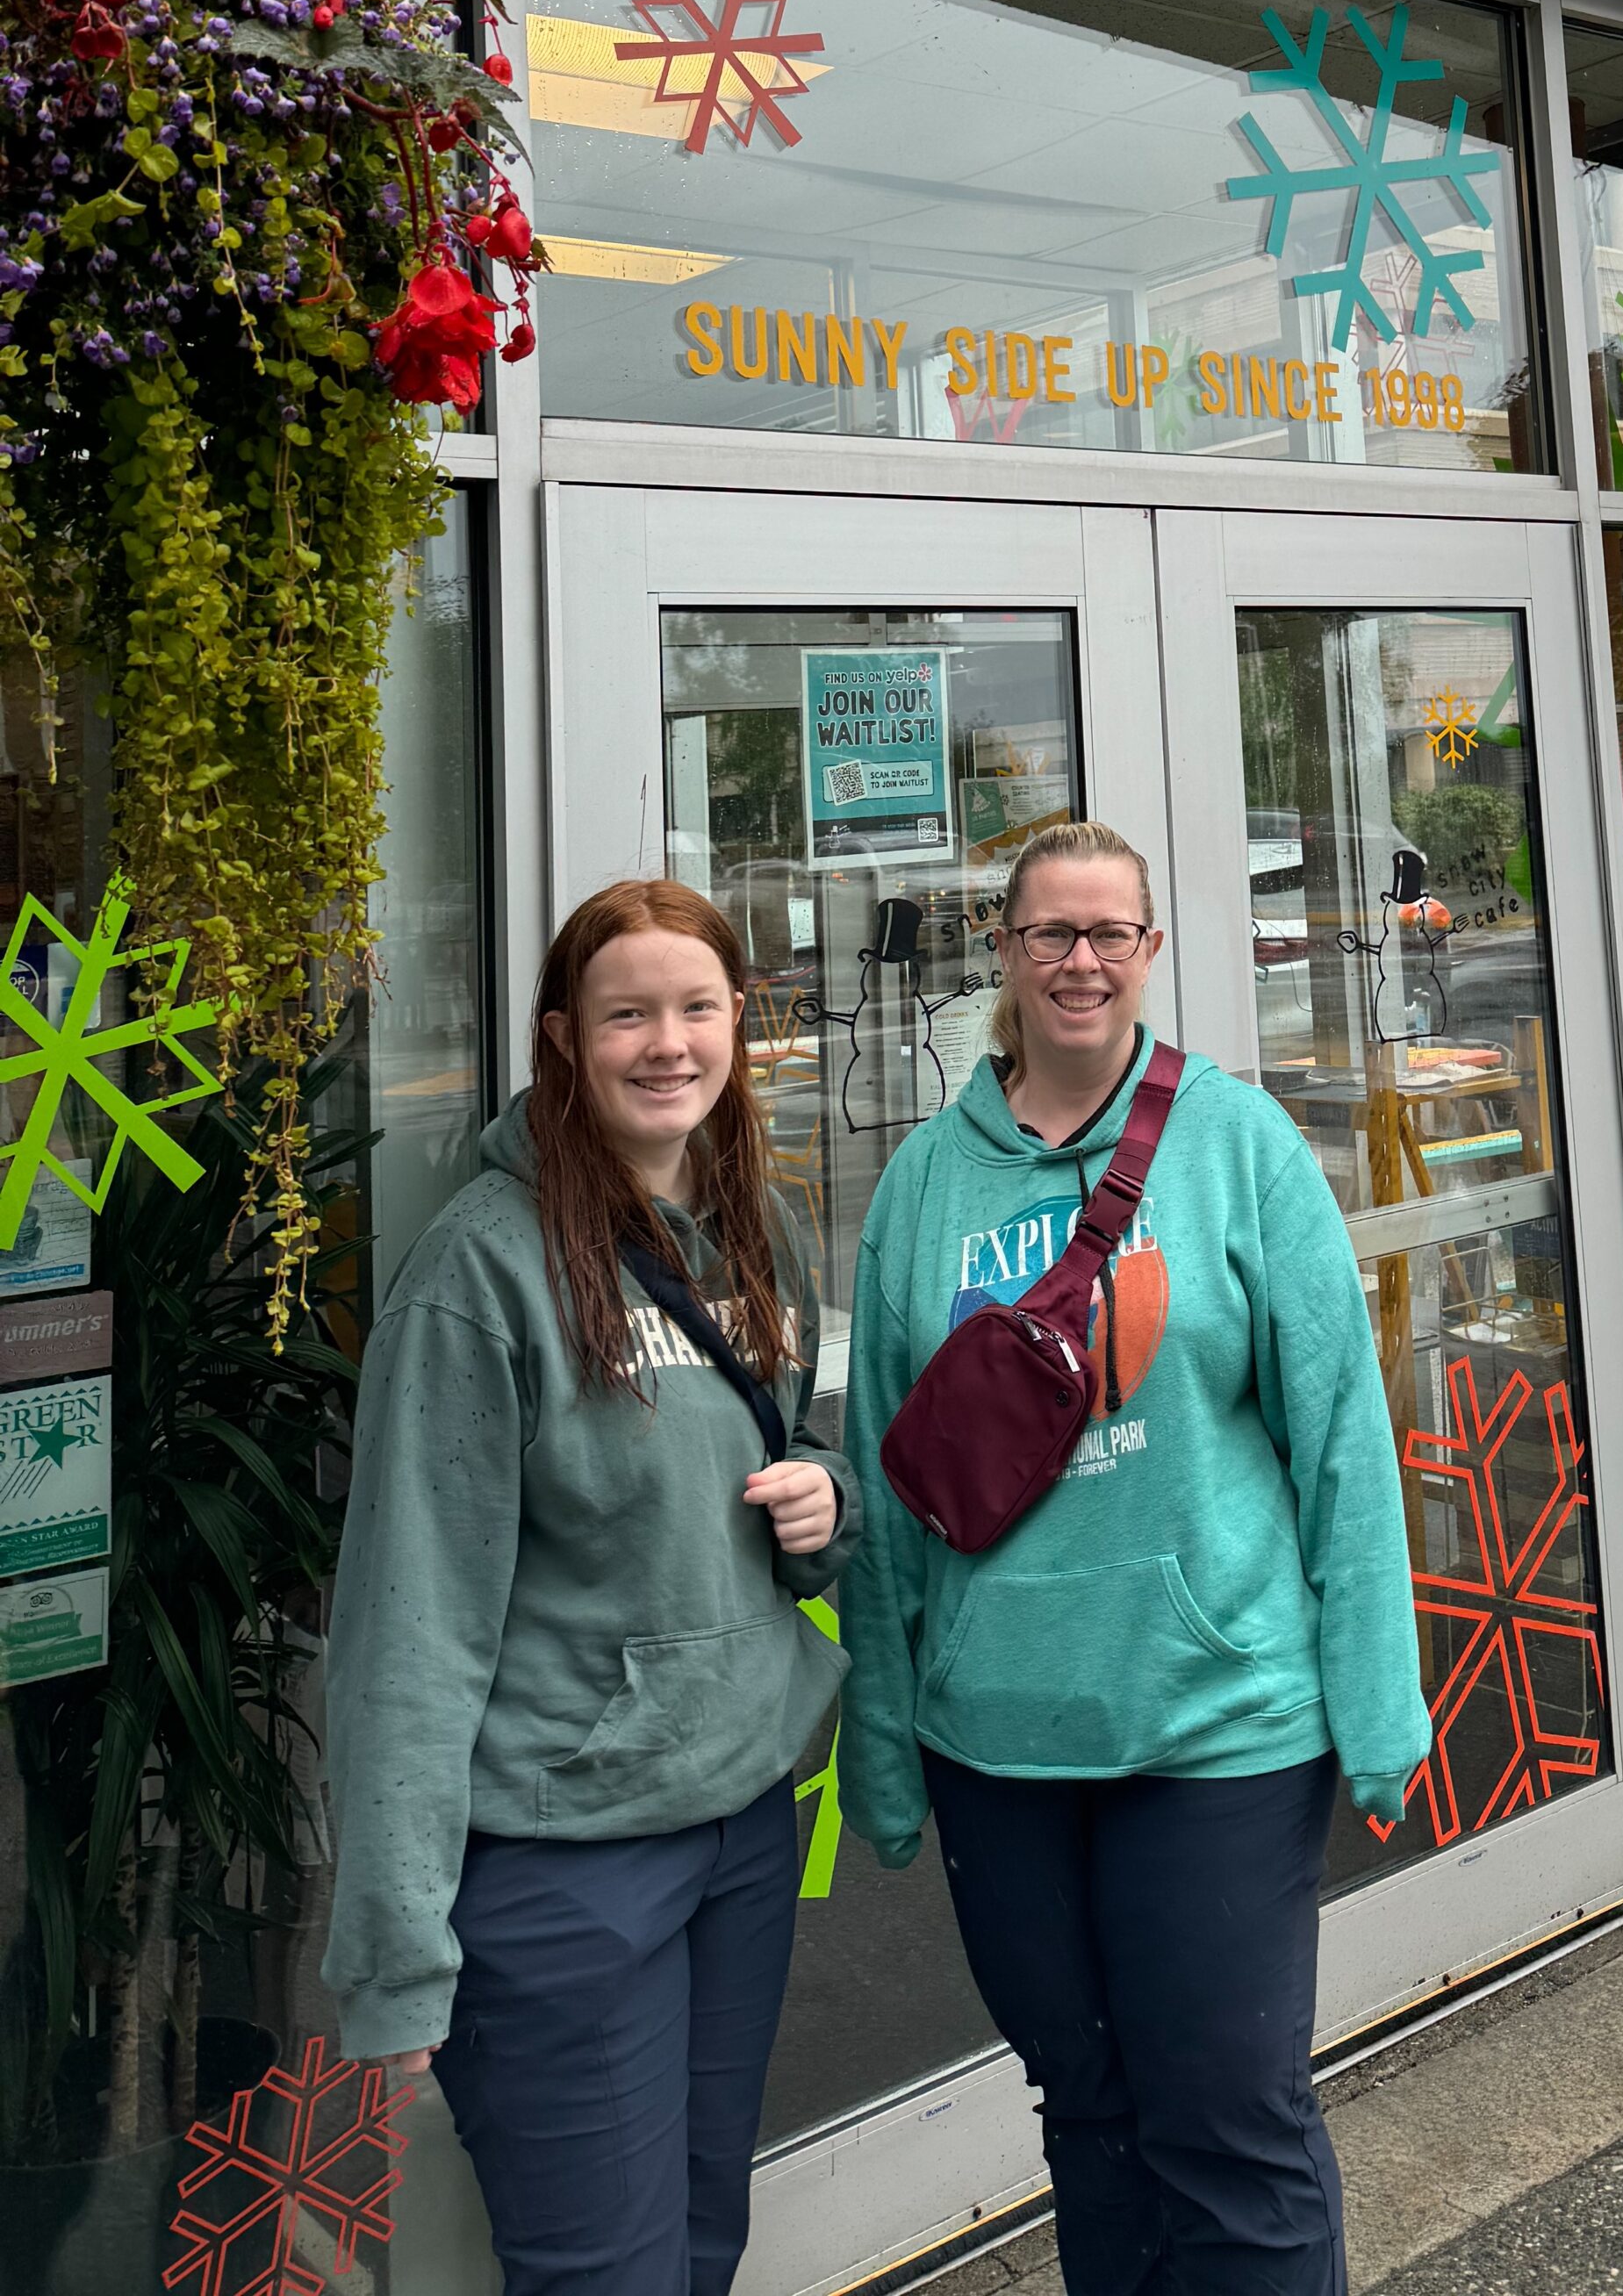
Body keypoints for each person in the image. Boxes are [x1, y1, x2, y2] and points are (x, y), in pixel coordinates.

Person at [841, 818, 1428, 2296]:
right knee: (1091, 2129)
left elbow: (1342, 1441)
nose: (1081, 960)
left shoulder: (1238, 1146)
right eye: (1051, 933)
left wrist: (1378, 1706)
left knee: (1229, 2133)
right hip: (1002, 1748)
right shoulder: (922, 1187)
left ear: (1153, 953)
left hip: (1215, 1733)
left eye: (1111, 934)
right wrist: (888, 1755)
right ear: (1006, 951)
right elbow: (883, 1484)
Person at [322, 879, 856, 2296]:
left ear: (742, 1024)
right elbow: (408, 1632)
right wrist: (395, 1957)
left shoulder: (762, 1232)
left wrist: (825, 1504)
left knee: (698, 2244)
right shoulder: (479, 1274)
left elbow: (798, 1455)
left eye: (697, 1008)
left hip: (742, 1828)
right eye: (629, 1014)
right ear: (564, 1039)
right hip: (568, 1867)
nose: (667, 1043)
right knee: (603, 2275)